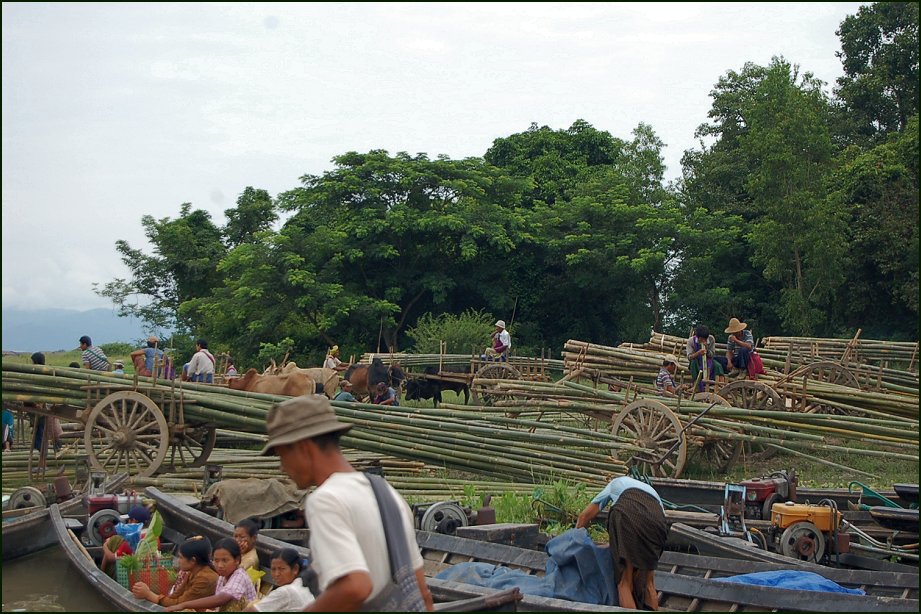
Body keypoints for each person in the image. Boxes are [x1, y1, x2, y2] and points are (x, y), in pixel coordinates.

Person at [260, 395, 433, 611]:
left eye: (282, 455)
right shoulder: (385, 492)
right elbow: (421, 593)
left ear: (304, 447)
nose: (282, 467)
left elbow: (355, 587)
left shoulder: (326, 499)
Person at [576, 476, 668, 610]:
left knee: (625, 583)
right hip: (658, 523)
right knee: (648, 583)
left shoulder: (614, 484)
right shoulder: (651, 491)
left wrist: (574, 541)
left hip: (627, 513)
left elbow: (584, 516)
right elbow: (655, 525)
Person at [164, 538, 257, 612]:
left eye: (225, 560)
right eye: (216, 560)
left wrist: (184, 605)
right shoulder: (222, 576)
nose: (220, 565)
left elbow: (221, 599)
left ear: (237, 560)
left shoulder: (239, 576)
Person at [132, 535, 219, 607]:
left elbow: (180, 604)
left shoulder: (205, 579)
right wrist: (148, 594)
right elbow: (175, 596)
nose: (178, 561)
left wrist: (149, 595)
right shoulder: (192, 571)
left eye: (181, 557)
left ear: (193, 560)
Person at [244, 548, 316, 612]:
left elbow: (252, 611)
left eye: (282, 569)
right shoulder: (302, 584)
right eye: (273, 569)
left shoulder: (287, 591)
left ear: (295, 569)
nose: (276, 574)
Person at [100, 505, 153, 574]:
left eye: (128, 520)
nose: (127, 523)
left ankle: (102, 572)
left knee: (113, 540)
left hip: (132, 573)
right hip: (148, 570)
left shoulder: (131, 539)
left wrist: (105, 546)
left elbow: (111, 558)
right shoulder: (153, 536)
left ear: (134, 521)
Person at [685, 326, 725, 391]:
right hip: (696, 360)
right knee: (693, 364)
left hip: (708, 359)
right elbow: (689, 357)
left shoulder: (711, 339)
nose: (703, 341)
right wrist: (698, 353)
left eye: (705, 339)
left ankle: (721, 385)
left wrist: (707, 349)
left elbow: (712, 354)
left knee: (718, 365)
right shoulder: (691, 341)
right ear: (698, 337)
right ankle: (696, 385)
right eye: (701, 339)